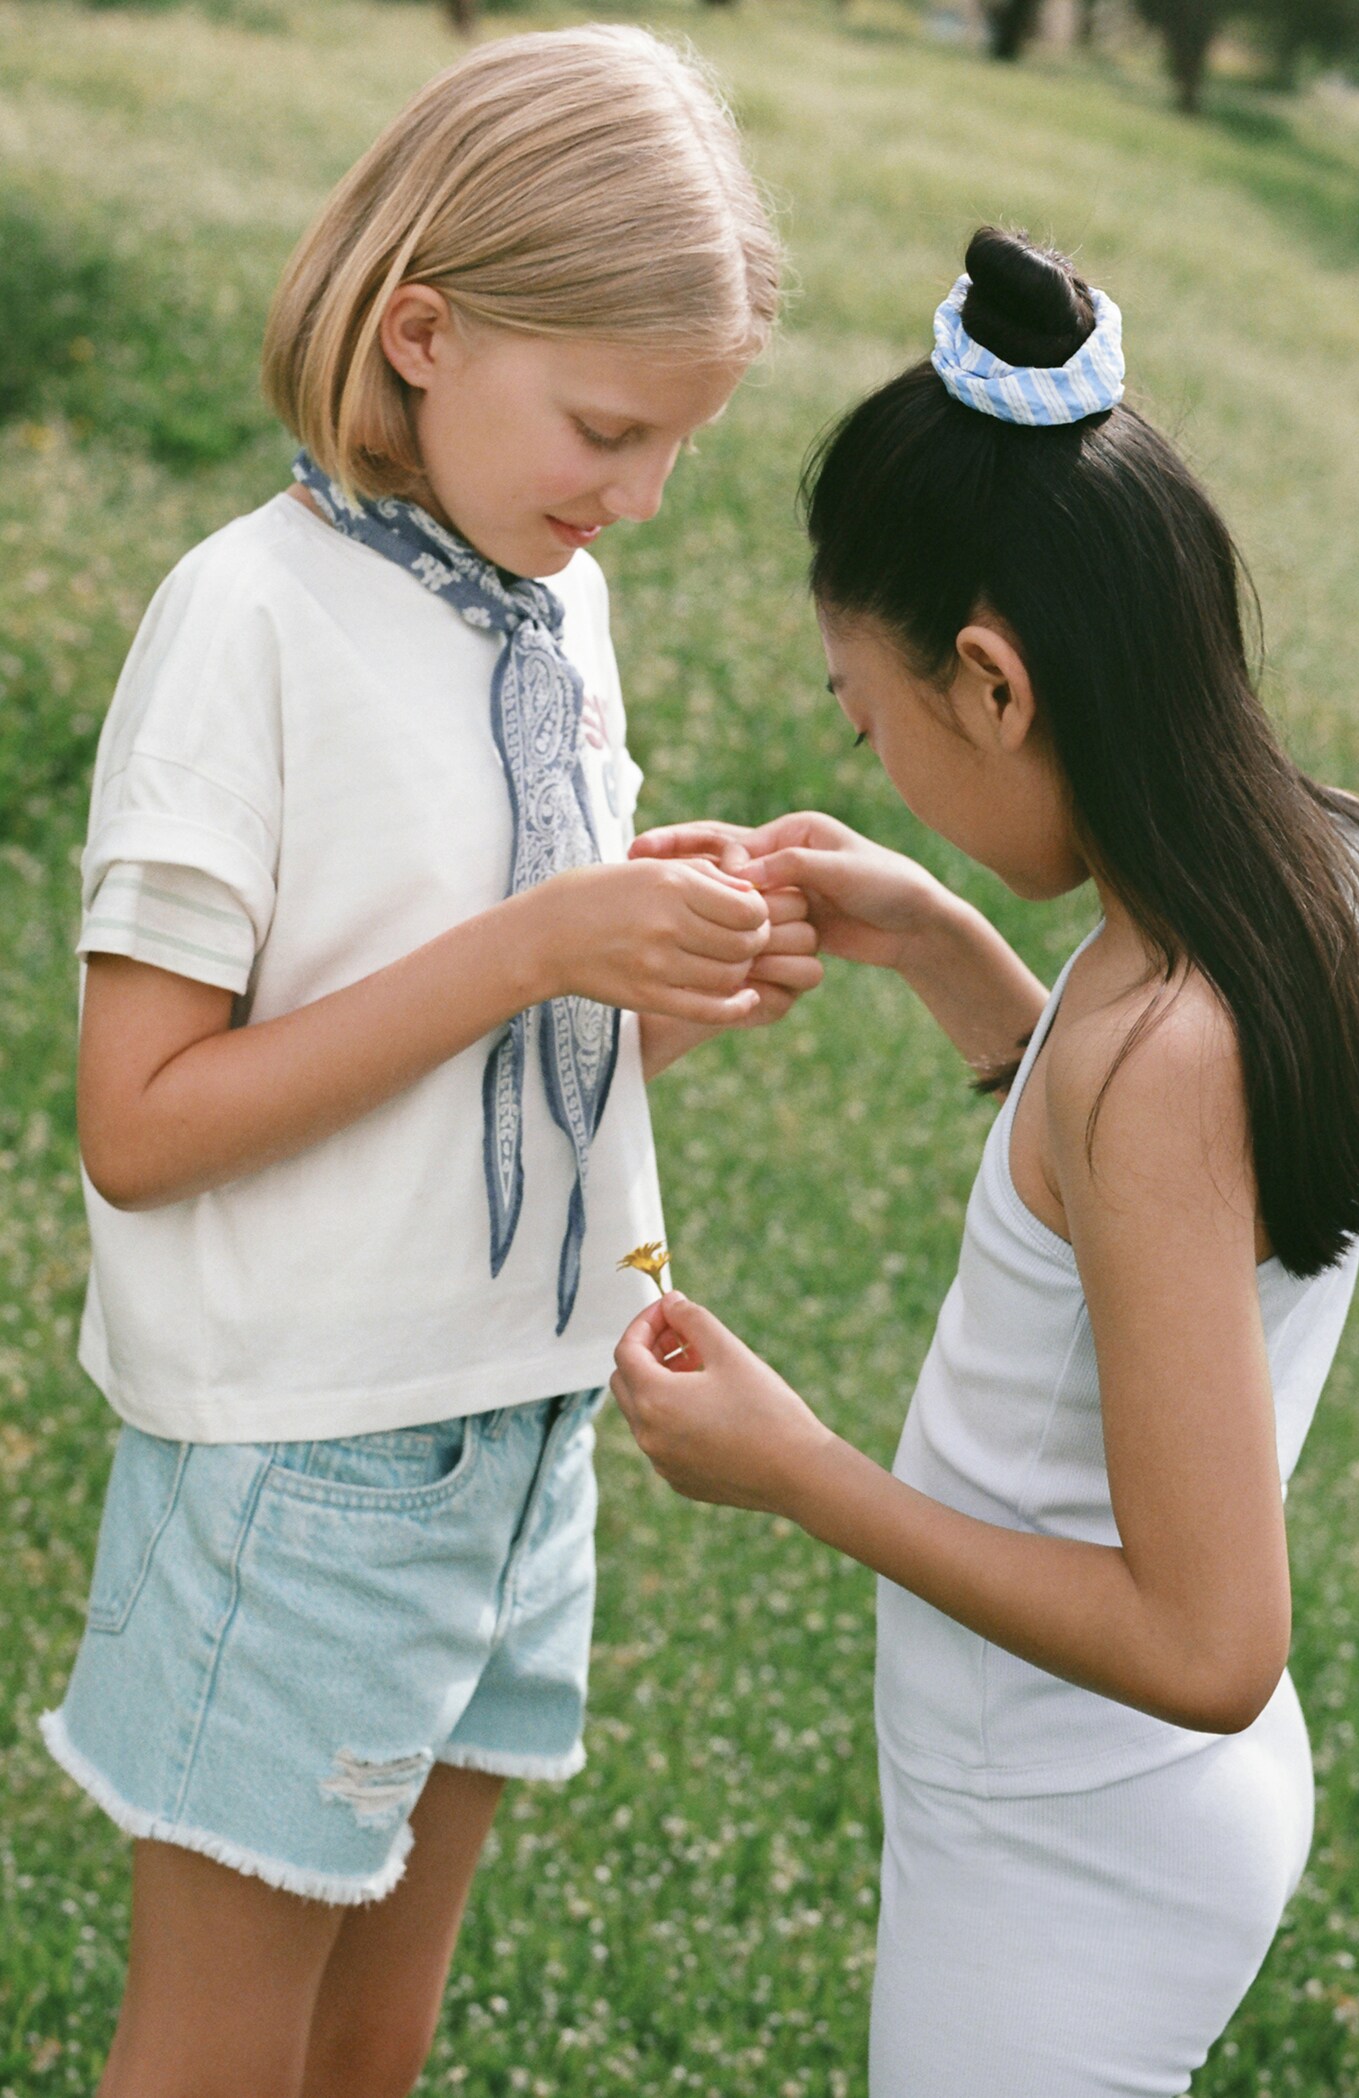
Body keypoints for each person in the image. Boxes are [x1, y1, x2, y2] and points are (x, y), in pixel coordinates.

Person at [41, 28, 821, 2098]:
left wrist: (657, 979)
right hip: (312, 1456)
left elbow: (495, 1050)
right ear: (420, 332)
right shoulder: (247, 623)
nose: (640, 494)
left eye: (680, 444)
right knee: (222, 2058)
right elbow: (140, 1123)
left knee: (371, 2048)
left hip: (522, 1421)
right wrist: (528, 947)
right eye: (609, 427)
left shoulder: (555, 608)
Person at [611, 227, 1359, 2098]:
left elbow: (1209, 1638)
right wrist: (944, 947)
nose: (875, 764)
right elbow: (1157, 1227)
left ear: (992, 681)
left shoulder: (1158, 1048)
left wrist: (801, 1471)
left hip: (1065, 1841)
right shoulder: (1328, 879)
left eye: (866, 718)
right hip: (1128, 1806)